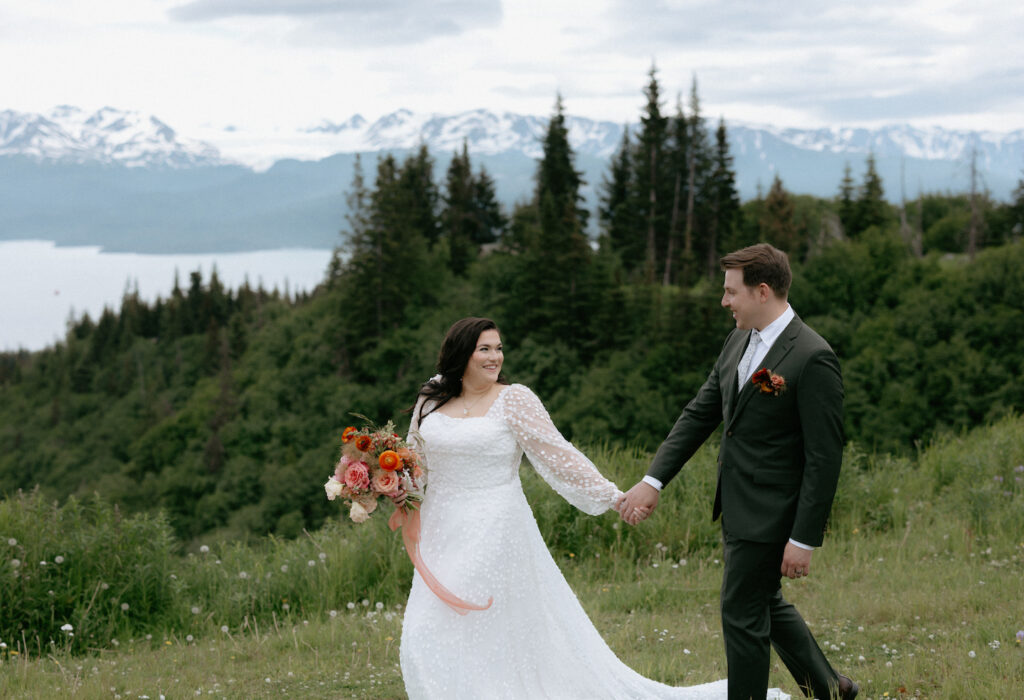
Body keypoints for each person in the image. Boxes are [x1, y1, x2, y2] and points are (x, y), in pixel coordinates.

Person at [394, 317, 788, 699]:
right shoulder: (432, 396)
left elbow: (559, 455)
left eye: (499, 349)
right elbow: (414, 459)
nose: (495, 357)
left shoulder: (514, 400)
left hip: (493, 526)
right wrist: (391, 484)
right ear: (462, 354)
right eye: (484, 349)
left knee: (474, 621)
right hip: (440, 526)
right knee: (425, 626)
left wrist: (611, 496)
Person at [618, 244, 859, 700]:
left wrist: (803, 538)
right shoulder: (738, 340)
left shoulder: (812, 357)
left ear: (762, 291)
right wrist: (653, 481)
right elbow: (700, 412)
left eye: (731, 292)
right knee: (762, 601)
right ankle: (831, 688)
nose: (724, 301)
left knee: (741, 615)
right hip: (736, 506)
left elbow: (825, 459)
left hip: (773, 513)